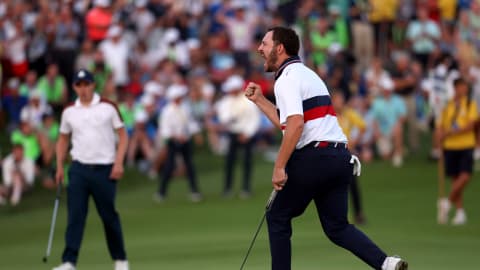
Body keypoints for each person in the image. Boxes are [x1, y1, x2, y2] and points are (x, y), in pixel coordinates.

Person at [244, 26, 408, 270]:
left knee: (277, 216)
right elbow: (287, 123)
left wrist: (279, 166)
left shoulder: (286, 78)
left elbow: (296, 126)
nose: (259, 49)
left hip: (314, 157)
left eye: (264, 44)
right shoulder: (308, 74)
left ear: (279, 48)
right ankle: (385, 263)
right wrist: (260, 100)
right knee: (337, 227)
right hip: (340, 157)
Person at [53, 69, 129, 270]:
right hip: (78, 169)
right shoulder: (69, 111)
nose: (83, 89)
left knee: (108, 216)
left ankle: (120, 259)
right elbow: (62, 139)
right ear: (74, 87)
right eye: (79, 85)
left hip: (104, 169)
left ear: (93, 85)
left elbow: (122, 136)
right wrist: (60, 166)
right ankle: (69, 261)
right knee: (75, 216)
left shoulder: (108, 107)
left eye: (86, 84)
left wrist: (119, 163)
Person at [437, 77, 478, 225]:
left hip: (466, 144)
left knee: (465, 176)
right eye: (461, 86)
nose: (464, 89)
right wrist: (440, 138)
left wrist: (451, 133)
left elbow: (471, 125)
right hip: (450, 146)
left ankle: (447, 203)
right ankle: (460, 212)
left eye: (465, 87)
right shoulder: (448, 106)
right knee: (455, 178)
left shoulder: (469, 104)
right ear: (456, 88)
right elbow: (441, 126)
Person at [154, 84, 202, 203]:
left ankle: (194, 191)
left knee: (189, 165)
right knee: (169, 166)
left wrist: (196, 134)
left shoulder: (185, 108)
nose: (182, 97)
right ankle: (161, 192)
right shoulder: (167, 111)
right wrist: (176, 136)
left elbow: (190, 123)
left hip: (185, 140)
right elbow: (165, 129)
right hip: (173, 141)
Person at [216, 74, 261, 198]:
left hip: (246, 135)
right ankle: (228, 188)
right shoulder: (226, 101)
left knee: (247, 162)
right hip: (233, 133)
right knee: (229, 162)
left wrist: (247, 133)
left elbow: (254, 119)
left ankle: (246, 188)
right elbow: (223, 117)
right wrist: (230, 119)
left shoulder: (248, 100)